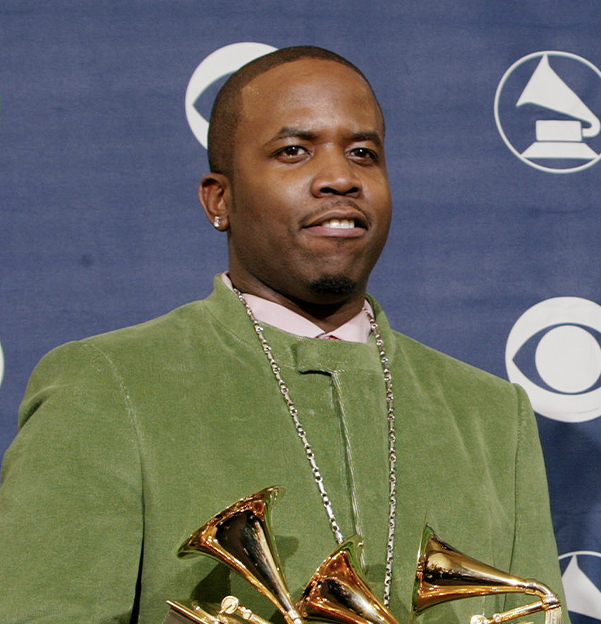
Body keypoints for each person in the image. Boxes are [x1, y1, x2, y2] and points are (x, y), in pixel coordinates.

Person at [0, 46, 565, 624]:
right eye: (294, 151)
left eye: (363, 153)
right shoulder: (107, 386)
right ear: (220, 199)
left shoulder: (492, 413)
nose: (341, 177)